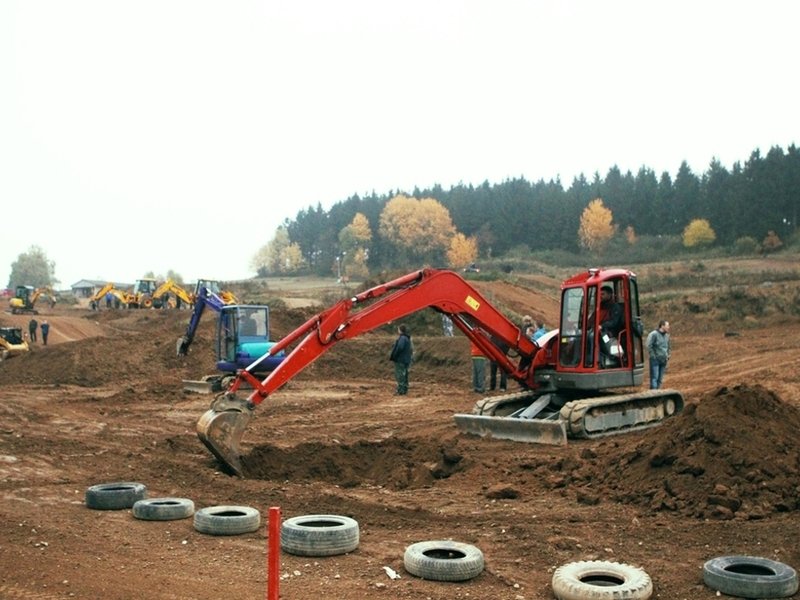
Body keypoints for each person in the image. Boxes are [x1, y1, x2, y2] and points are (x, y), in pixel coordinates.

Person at [646, 320, 671, 389]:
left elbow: (669, 347)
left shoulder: (667, 336)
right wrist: (653, 356)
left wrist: (668, 355)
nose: (669, 327)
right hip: (655, 360)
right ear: (662, 326)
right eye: (667, 326)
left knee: (660, 379)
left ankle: (659, 394)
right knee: (654, 378)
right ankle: (654, 395)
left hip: (663, 360)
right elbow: (649, 345)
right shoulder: (653, 334)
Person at [389, 324, 413, 395]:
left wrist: (395, 355)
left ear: (400, 330)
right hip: (406, 359)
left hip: (400, 359)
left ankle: (400, 391)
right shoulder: (407, 338)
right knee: (404, 375)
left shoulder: (402, 338)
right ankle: (404, 390)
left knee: (400, 375)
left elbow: (400, 347)